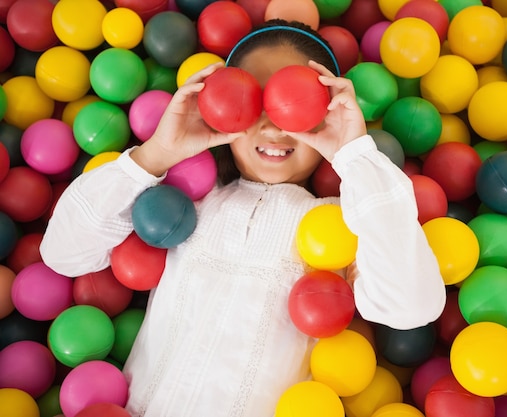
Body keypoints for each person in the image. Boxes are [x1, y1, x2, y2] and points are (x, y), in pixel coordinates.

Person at [40, 19, 446, 417]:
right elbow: (63, 253)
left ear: (326, 115)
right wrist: (156, 155)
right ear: (221, 107)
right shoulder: (181, 205)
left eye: (296, 103)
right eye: (255, 100)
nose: (275, 123)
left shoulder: (341, 224)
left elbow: (410, 306)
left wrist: (354, 154)